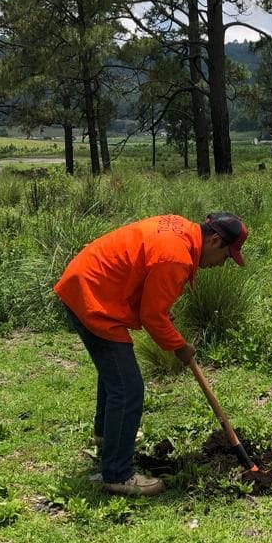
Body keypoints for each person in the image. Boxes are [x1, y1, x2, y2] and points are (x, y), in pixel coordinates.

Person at [54, 212, 248, 496]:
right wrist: (180, 347)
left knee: (115, 377)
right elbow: (152, 317)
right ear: (215, 240)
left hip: (88, 282)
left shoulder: (180, 228)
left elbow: (147, 278)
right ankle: (118, 474)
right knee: (127, 387)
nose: (221, 264)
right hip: (94, 296)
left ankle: (108, 438)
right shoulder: (177, 257)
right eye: (226, 256)